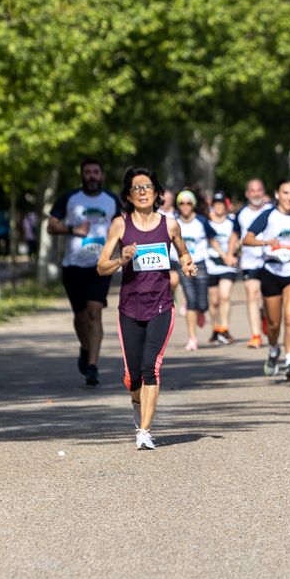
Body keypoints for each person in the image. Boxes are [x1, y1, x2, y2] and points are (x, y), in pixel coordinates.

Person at [96, 167, 196, 450]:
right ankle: (137, 404)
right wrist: (121, 260)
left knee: (151, 367)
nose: (142, 192)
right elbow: (101, 266)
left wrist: (187, 264)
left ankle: (144, 431)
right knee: (134, 376)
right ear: (128, 194)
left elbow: (183, 251)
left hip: (161, 305)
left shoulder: (170, 224)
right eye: (136, 188)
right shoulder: (120, 225)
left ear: (156, 193)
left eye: (147, 187)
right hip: (129, 308)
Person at [47, 158, 121, 385]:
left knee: (94, 312)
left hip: (100, 265)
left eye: (95, 172)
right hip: (73, 266)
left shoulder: (111, 200)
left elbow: (124, 225)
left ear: (102, 175)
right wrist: (72, 229)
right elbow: (51, 225)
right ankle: (85, 347)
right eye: (87, 172)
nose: (92, 176)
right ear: (82, 175)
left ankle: (92, 366)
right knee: (80, 316)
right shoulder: (70, 199)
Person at [241, 180, 290, 382]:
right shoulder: (268, 216)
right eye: (285, 192)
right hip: (271, 271)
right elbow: (246, 239)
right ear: (277, 194)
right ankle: (274, 351)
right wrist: (266, 242)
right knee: (274, 324)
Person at [174, 189, 214, 351]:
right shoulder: (173, 223)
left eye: (188, 203)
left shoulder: (202, 222)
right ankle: (192, 338)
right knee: (191, 300)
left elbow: (213, 239)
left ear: (193, 205)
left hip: (201, 263)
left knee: (203, 303)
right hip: (183, 264)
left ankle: (201, 310)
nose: (185, 206)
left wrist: (226, 255)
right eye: (181, 203)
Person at [235, 179, 272, 348]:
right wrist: (230, 254)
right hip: (249, 261)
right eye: (252, 190)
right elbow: (234, 236)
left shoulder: (273, 211)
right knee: (252, 294)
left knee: (266, 299)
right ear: (247, 194)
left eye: (259, 190)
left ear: (263, 192)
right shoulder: (241, 214)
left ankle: (264, 315)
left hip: (270, 261)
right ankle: (256, 335)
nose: (256, 193)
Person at [205, 191, 240, 344]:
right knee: (213, 301)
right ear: (213, 206)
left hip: (228, 265)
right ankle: (216, 329)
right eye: (216, 204)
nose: (219, 207)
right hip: (211, 264)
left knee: (224, 296)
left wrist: (232, 253)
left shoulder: (233, 222)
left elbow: (240, 239)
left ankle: (225, 329)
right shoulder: (207, 223)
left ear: (225, 206)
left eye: (221, 204)